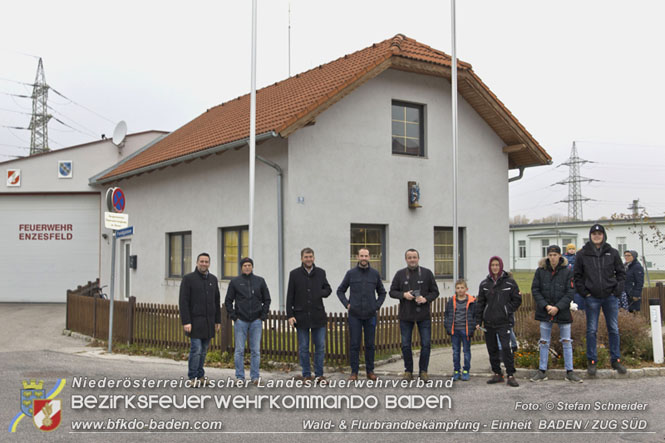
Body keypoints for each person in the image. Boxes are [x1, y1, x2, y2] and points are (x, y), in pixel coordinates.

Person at [574, 224, 626, 375]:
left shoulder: (613, 253)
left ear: (603, 235)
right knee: (591, 330)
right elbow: (577, 276)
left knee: (614, 329)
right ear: (590, 236)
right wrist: (585, 293)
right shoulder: (582, 254)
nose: (597, 236)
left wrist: (616, 292)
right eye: (594, 233)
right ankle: (592, 362)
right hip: (592, 298)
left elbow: (621, 274)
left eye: (599, 233)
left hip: (610, 297)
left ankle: (616, 361)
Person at [529, 245, 582, 383]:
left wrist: (557, 307)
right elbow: (535, 290)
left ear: (560, 256)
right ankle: (542, 371)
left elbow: (570, 292)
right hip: (545, 311)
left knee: (566, 341)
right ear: (547, 256)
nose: (552, 257)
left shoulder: (567, 271)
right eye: (550, 255)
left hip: (562, 311)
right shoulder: (540, 271)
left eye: (555, 255)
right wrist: (546, 306)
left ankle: (569, 372)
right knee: (544, 342)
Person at [389, 249, 440, 381]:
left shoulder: (427, 273)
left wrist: (426, 299)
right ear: (406, 259)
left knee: (426, 344)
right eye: (409, 257)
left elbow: (435, 292)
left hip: (423, 315)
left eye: (414, 257)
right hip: (406, 315)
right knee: (406, 345)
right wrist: (404, 295)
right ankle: (408, 371)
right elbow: (392, 292)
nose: (412, 260)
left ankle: (423, 371)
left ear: (418, 258)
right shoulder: (400, 274)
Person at [337, 248, 386, 381]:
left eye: (366, 256)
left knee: (370, 344)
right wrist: (347, 304)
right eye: (361, 256)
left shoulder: (375, 274)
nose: (364, 258)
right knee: (354, 344)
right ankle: (354, 372)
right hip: (355, 315)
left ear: (369, 257)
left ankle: (370, 371)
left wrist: (376, 306)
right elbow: (340, 290)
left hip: (370, 315)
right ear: (357, 257)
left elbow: (382, 292)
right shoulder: (351, 274)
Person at [286, 248, 332, 384]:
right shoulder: (294, 274)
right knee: (304, 347)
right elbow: (290, 296)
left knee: (320, 347)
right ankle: (306, 375)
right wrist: (290, 315)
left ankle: (319, 375)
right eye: (306, 257)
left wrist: (320, 292)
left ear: (314, 258)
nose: (308, 259)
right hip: (301, 316)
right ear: (301, 258)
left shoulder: (321, 273)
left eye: (311, 256)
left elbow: (328, 289)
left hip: (318, 315)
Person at [475, 256, 522, 387]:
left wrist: (507, 309)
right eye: (492, 265)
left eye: (497, 265)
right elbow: (480, 304)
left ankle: (511, 375)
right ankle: (497, 373)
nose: (495, 267)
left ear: (500, 266)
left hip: (504, 322)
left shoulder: (510, 283)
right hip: (489, 322)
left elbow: (517, 300)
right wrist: (478, 320)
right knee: (492, 349)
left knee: (506, 348)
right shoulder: (484, 284)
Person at [225, 257, 271, 383]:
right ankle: (240, 376)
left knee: (255, 350)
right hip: (241, 321)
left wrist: (263, 315)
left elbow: (267, 299)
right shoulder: (235, 282)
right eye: (245, 265)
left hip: (256, 320)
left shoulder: (260, 281)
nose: (247, 267)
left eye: (249, 265)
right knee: (239, 350)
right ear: (241, 267)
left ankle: (255, 376)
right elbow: (228, 301)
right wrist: (234, 316)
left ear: (252, 267)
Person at [178, 252, 221, 386]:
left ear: (209, 263)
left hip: (208, 322)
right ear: (197, 263)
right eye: (201, 261)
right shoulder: (188, 279)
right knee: (196, 350)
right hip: (194, 322)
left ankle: (200, 375)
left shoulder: (213, 280)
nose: (204, 264)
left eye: (206, 261)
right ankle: (193, 377)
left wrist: (217, 321)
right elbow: (183, 302)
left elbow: (216, 301)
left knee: (203, 351)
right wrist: (186, 321)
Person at [444, 279, 476, 381]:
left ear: (466, 289)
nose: (460, 290)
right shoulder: (451, 301)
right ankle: (456, 370)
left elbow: (475, 315)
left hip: (465, 330)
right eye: (458, 288)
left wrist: (473, 326)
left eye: (462, 288)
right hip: (455, 330)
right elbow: (447, 314)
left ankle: (466, 370)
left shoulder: (472, 301)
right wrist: (447, 325)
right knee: (455, 351)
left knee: (466, 351)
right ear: (455, 289)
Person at [564, 243, 585, 311]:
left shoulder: (576, 257)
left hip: (577, 279)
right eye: (570, 249)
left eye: (573, 249)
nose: (572, 250)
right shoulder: (564, 258)